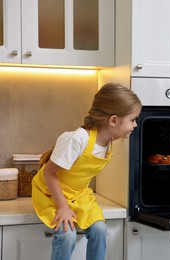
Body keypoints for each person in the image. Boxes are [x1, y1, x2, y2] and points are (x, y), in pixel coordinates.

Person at [32, 83, 142, 260]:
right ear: (113, 121)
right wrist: (63, 207)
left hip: (79, 194)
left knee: (99, 230)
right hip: (52, 194)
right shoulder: (77, 139)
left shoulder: (109, 141)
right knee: (67, 236)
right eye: (132, 119)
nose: (135, 124)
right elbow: (49, 173)